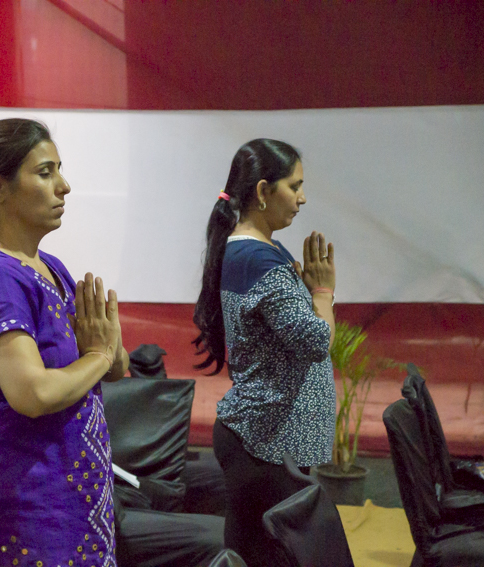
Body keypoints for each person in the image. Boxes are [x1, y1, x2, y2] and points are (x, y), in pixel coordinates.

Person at [0, 118, 129, 567]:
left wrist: (107, 350)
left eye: (60, 170)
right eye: (46, 172)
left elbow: (111, 365)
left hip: (60, 500)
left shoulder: (47, 265)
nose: (64, 186)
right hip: (18, 508)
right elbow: (31, 394)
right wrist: (99, 354)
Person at [193, 139, 337, 566]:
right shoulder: (259, 258)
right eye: (294, 186)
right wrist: (324, 293)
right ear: (261, 191)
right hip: (265, 446)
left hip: (267, 441)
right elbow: (315, 341)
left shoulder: (261, 250)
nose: (303, 198)